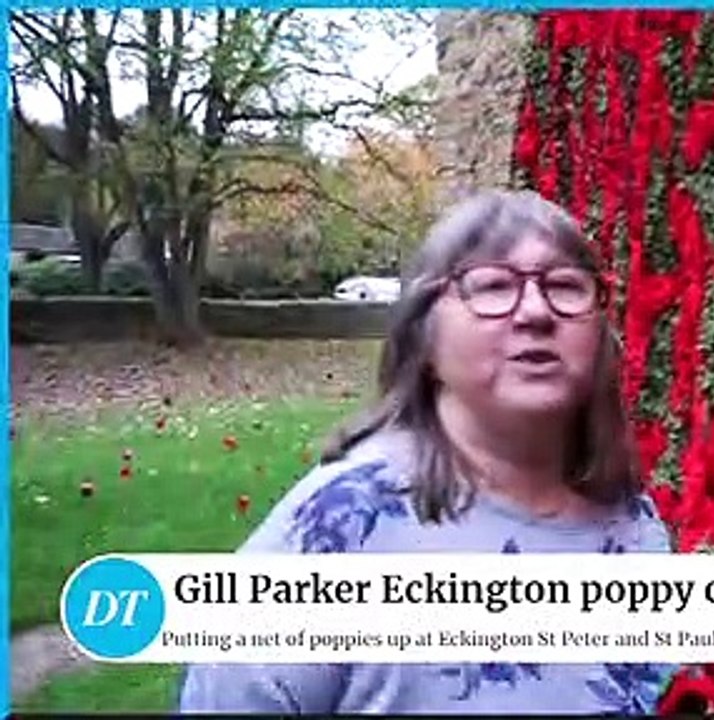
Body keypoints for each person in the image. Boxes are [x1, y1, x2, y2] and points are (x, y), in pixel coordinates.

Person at [178, 189, 676, 715]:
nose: (535, 311)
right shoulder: (340, 531)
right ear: (424, 336)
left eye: (565, 286)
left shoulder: (633, 524)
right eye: (492, 286)